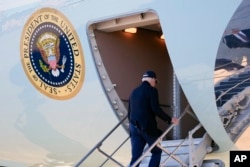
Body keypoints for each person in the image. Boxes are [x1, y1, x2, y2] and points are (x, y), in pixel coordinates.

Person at [128, 70, 179, 167]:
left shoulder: (133, 91)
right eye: (155, 82)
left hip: (134, 128)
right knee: (156, 151)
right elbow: (156, 109)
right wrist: (170, 119)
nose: (155, 84)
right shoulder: (152, 90)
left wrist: (131, 128)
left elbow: (129, 112)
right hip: (147, 128)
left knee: (136, 156)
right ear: (152, 79)